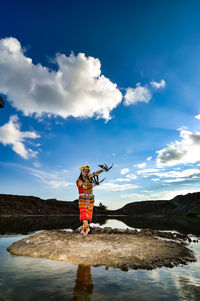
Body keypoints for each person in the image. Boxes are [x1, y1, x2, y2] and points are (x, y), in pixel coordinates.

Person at [76, 163, 107, 235]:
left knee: (88, 214)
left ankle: (83, 230)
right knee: (83, 214)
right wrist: (94, 184)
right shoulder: (79, 180)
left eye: (87, 171)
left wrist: (103, 170)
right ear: (82, 171)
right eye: (85, 171)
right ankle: (88, 229)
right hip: (83, 198)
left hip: (90, 199)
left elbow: (96, 173)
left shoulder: (89, 177)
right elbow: (85, 187)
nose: (86, 172)